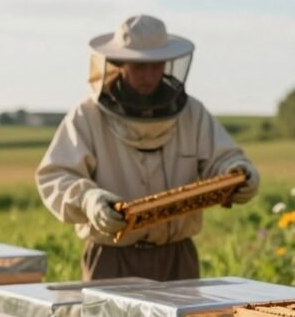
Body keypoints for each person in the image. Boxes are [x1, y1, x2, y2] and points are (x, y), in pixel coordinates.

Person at [36, 15, 260, 282]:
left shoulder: (192, 113)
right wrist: (88, 200)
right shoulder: (87, 116)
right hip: (112, 256)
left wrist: (239, 174)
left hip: (177, 256)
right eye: (140, 66)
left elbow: (224, 158)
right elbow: (55, 176)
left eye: (156, 66)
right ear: (120, 64)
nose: (149, 76)